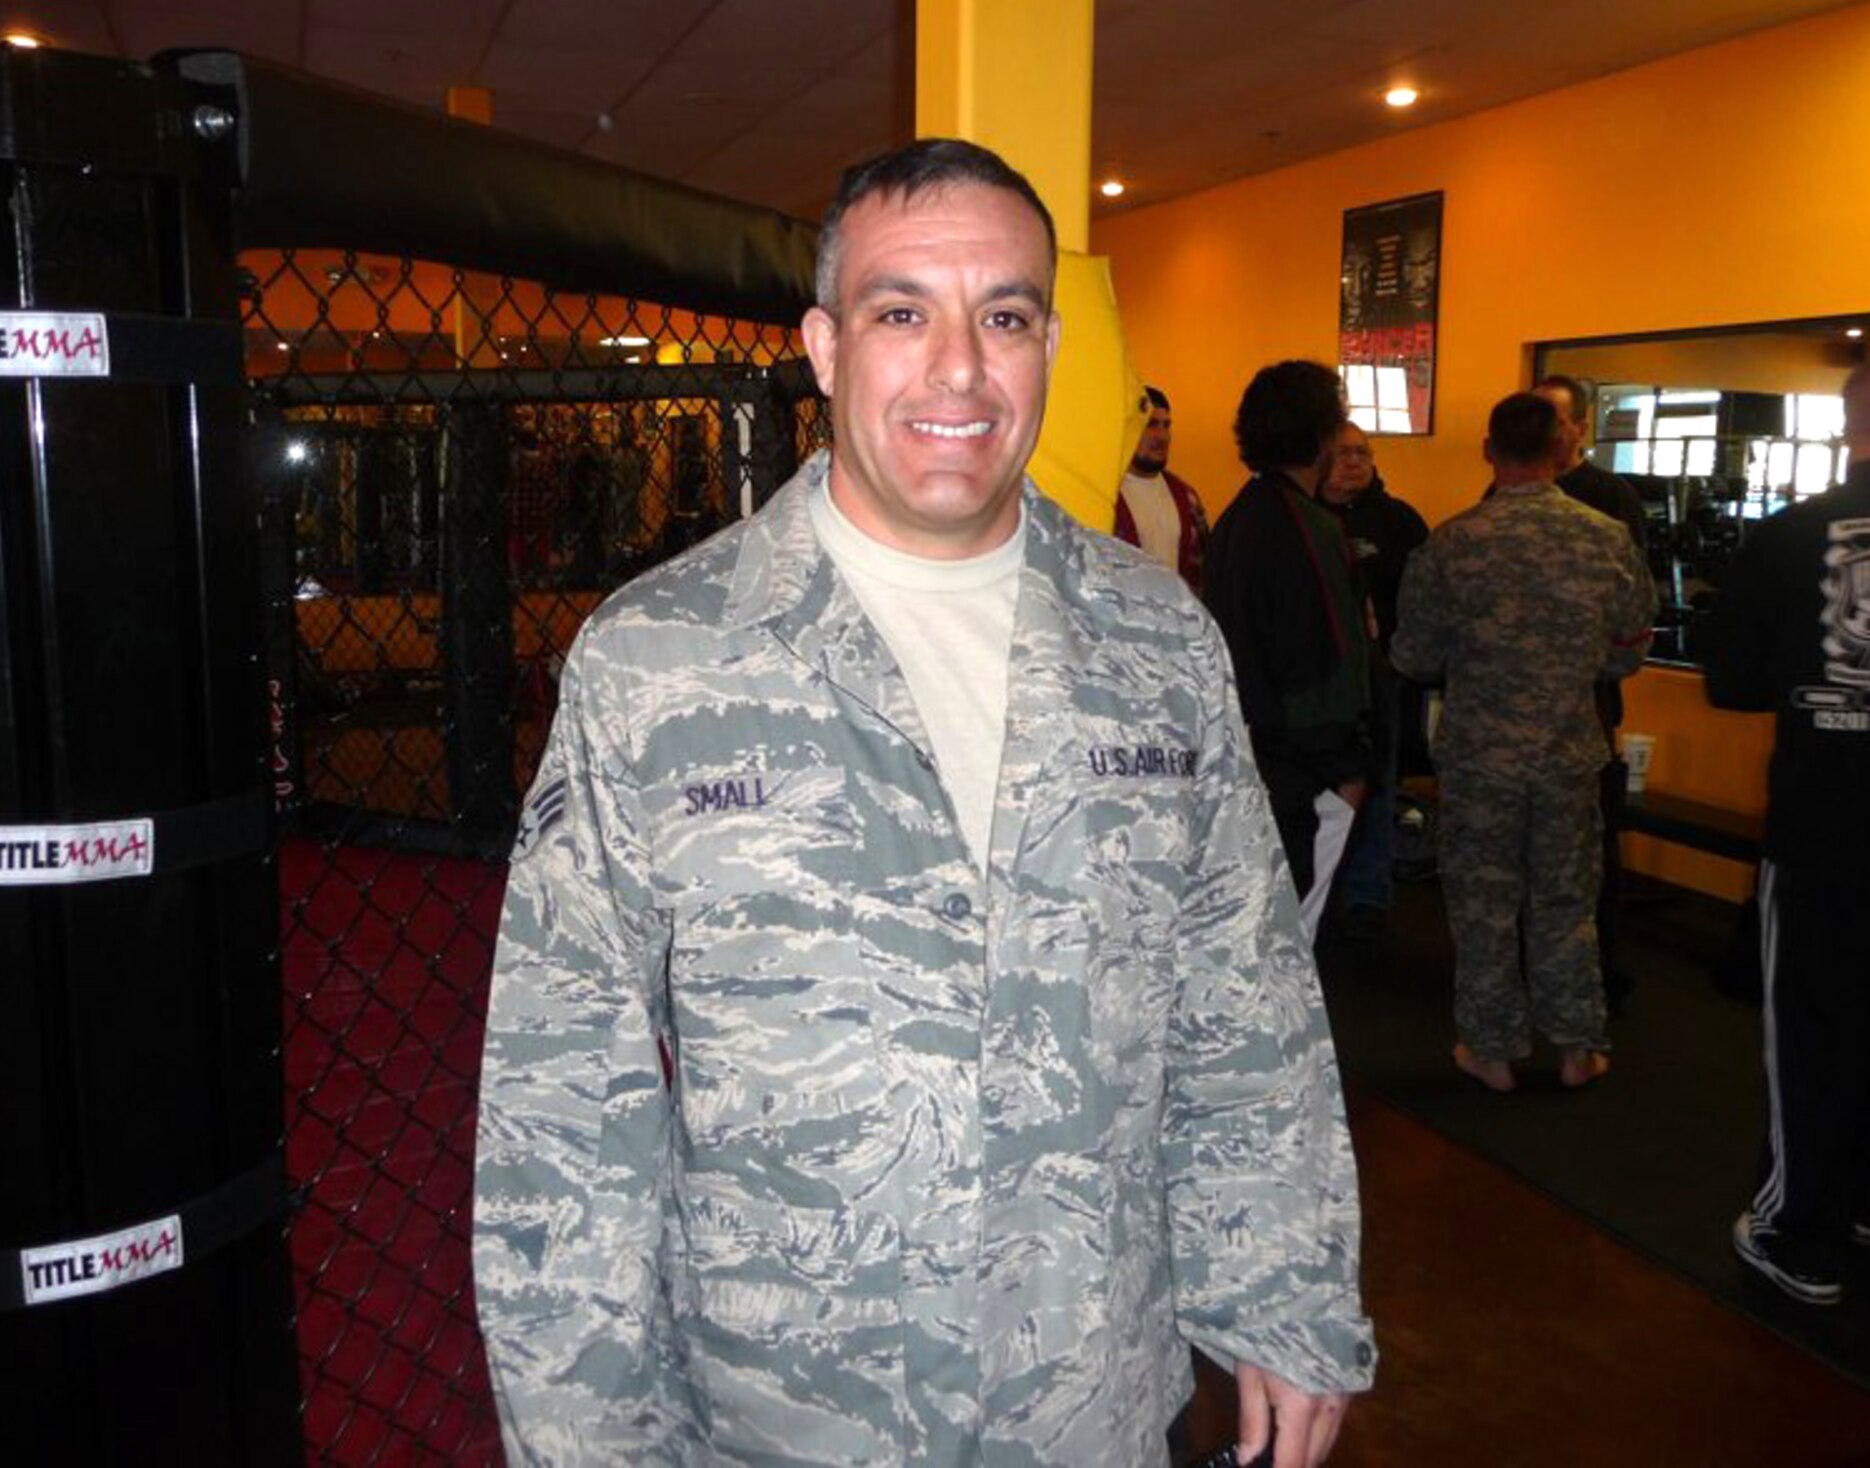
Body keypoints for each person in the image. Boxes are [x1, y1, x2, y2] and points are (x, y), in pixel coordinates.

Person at [473, 138, 1374, 1467]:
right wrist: (585, 1438)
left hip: (1091, 1395)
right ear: (827, 349)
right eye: (904, 313)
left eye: (1002, 317)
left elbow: (1243, 1005)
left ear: (1050, 349)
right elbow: (564, 1097)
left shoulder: (1155, 642)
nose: (959, 367)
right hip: (787, 1413)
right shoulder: (661, 658)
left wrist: (1286, 1289)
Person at [1703, 354, 1870, 1306]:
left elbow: (1730, 683)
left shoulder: (1790, 537)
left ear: (1851, 427)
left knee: (1813, 1030)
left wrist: (1827, 683)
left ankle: (1801, 1235)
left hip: (1822, 836)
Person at [1393, 392, 1655, 1093]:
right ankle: (1577, 1047)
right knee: (1567, 901)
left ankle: (1491, 1050)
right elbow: (1630, 650)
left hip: (1480, 756)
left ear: (1489, 450)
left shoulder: (1452, 541)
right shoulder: (1605, 539)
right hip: (1571, 751)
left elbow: (1413, 654)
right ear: (1559, 450)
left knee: (1483, 906)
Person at [1204, 362, 1374, 944]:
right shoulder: (1308, 529)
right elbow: (1331, 660)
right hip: (1300, 768)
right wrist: (1346, 767)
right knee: (1291, 939)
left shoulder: (1237, 517)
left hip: (1248, 754)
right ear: (1322, 436)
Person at [1534, 374, 1647, 1012]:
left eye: (1556, 419)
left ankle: (1601, 969)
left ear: (1581, 425)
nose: (1547, 432)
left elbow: (1631, 610)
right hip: (1513, 712)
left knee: (1589, 843)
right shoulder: (1510, 491)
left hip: (1584, 704)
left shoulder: (1609, 499)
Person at [1318, 421, 1429, 937]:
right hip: (1319, 683)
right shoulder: (1304, 519)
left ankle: (1368, 893)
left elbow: (1424, 601)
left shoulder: (1400, 522)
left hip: (1381, 679)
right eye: (1344, 453)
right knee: (1321, 792)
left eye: (1363, 452)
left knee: (1380, 786)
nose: (1355, 462)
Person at [1114, 384, 1212, 594]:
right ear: (1128, 428)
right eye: (1151, 424)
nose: (1162, 436)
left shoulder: (1187, 498)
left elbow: (1206, 569)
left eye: (1167, 425)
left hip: (1182, 622)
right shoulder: (1107, 497)